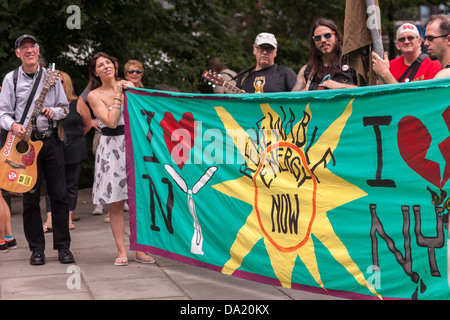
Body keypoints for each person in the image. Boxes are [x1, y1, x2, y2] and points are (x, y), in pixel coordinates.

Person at [0, 34, 73, 265]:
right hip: (24, 146)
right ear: (17, 54)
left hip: (49, 141)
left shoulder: (52, 77)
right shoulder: (11, 79)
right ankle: (37, 250)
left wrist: (55, 112)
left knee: (59, 195)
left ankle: (63, 247)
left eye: (33, 46)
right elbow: (2, 113)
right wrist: (13, 125)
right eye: (24, 47)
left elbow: (65, 108)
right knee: (30, 197)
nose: (29, 50)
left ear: (38, 51)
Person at [87, 52, 154, 266]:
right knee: (116, 203)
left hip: (133, 144)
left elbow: (147, 113)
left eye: (108, 62)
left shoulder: (130, 86)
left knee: (139, 199)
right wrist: (118, 93)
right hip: (110, 148)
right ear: (95, 72)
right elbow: (111, 121)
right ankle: (121, 250)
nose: (106, 66)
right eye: (100, 65)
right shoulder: (94, 95)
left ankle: (141, 249)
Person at [43, 71, 91, 232]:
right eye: (55, 82)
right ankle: (50, 217)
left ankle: (68, 216)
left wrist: (75, 138)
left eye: (61, 82)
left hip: (74, 147)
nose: (58, 85)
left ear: (67, 83)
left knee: (71, 183)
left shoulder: (77, 102)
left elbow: (87, 124)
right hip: (53, 147)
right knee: (52, 183)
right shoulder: (46, 103)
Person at [292, 18, 357, 91]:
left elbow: (368, 90)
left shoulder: (353, 63)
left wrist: (341, 86)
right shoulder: (308, 70)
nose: (323, 40)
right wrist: (310, 90)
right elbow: (293, 98)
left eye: (327, 35)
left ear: (337, 37)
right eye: (317, 38)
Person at [372, 22, 441, 84]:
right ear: (397, 45)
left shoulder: (433, 64)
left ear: (419, 41)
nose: (406, 42)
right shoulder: (389, 66)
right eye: (402, 39)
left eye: (410, 38)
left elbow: (425, 96)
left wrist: (385, 74)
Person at [424, 14, 450, 79]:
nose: (425, 43)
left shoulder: (444, 76)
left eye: (430, 38)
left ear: (448, 39)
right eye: (425, 38)